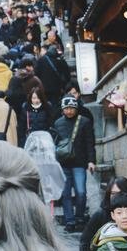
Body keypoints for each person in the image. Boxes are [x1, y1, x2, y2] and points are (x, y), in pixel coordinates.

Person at [52, 95, 96, 233]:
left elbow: (90, 143)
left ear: (76, 108)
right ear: (62, 109)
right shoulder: (58, 123)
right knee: (65, 193)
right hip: (63, 164)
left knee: (81, 192)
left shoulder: (85, 122)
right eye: (66, 108)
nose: (69, 111)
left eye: (72, 108)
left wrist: (91, 161)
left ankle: (79, 218)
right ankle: (69, 221)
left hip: (80, 163)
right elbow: (55, 143)